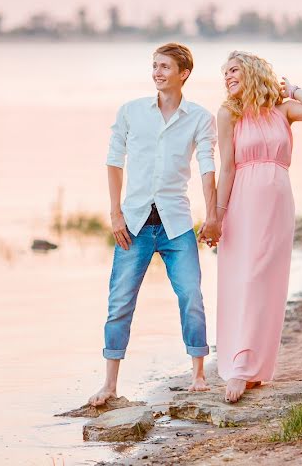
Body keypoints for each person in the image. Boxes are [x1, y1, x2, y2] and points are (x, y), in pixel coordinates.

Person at [88, 42, 221, 406]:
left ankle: (198, 375)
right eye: (154, 66)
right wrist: (114, 213)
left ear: (184, 73)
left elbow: (208, 167)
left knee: (191, 296)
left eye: (165, 67)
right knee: (120, 302)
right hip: (133, 224)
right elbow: (114, 162)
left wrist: (213, 216)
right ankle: (110, 384)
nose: (157, 72)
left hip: (177, 224)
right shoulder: (131, 112)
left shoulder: (200, 117)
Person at [214, 50, 302, 403]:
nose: (228, 77)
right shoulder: (228, 114)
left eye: (233, 70)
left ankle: (255, 368)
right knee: (243, 278)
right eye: (225, 73)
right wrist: (217, 216)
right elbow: (227, 168)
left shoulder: (283, 111)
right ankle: (238, 366)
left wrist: (291, 88)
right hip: (243, 203)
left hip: (277, 203)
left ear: (251, 72)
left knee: (267, 281)